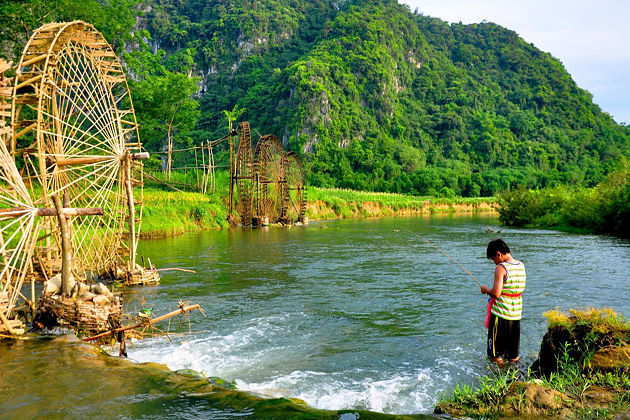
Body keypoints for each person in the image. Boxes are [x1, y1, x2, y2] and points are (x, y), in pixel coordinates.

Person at [480, 238, 526, 364]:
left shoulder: (501, 268)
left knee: (496, 356)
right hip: (516, 315)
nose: (495, 263)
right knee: (513, 356)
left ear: (498, 254)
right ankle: (513, 378)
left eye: (493, 259)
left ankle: (498, 380)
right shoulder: (521, 265)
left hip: (501, 315)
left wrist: (486, 290)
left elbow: (496, 292)